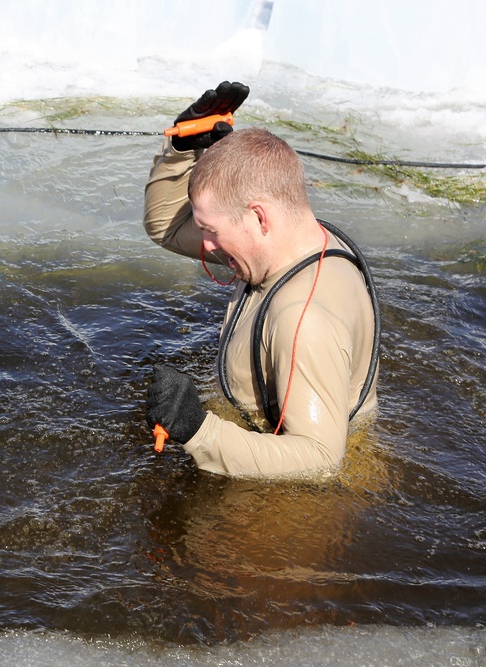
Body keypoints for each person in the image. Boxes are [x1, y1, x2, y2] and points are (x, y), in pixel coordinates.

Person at [143, 81, 378, 477]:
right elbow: (165, 227)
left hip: (290, 502)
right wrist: (181, 151)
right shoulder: (298, 242)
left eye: (211, 230)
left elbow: (320, 459)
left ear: (259, 217)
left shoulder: (302, 319)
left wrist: (200, 431)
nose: (207, 246)